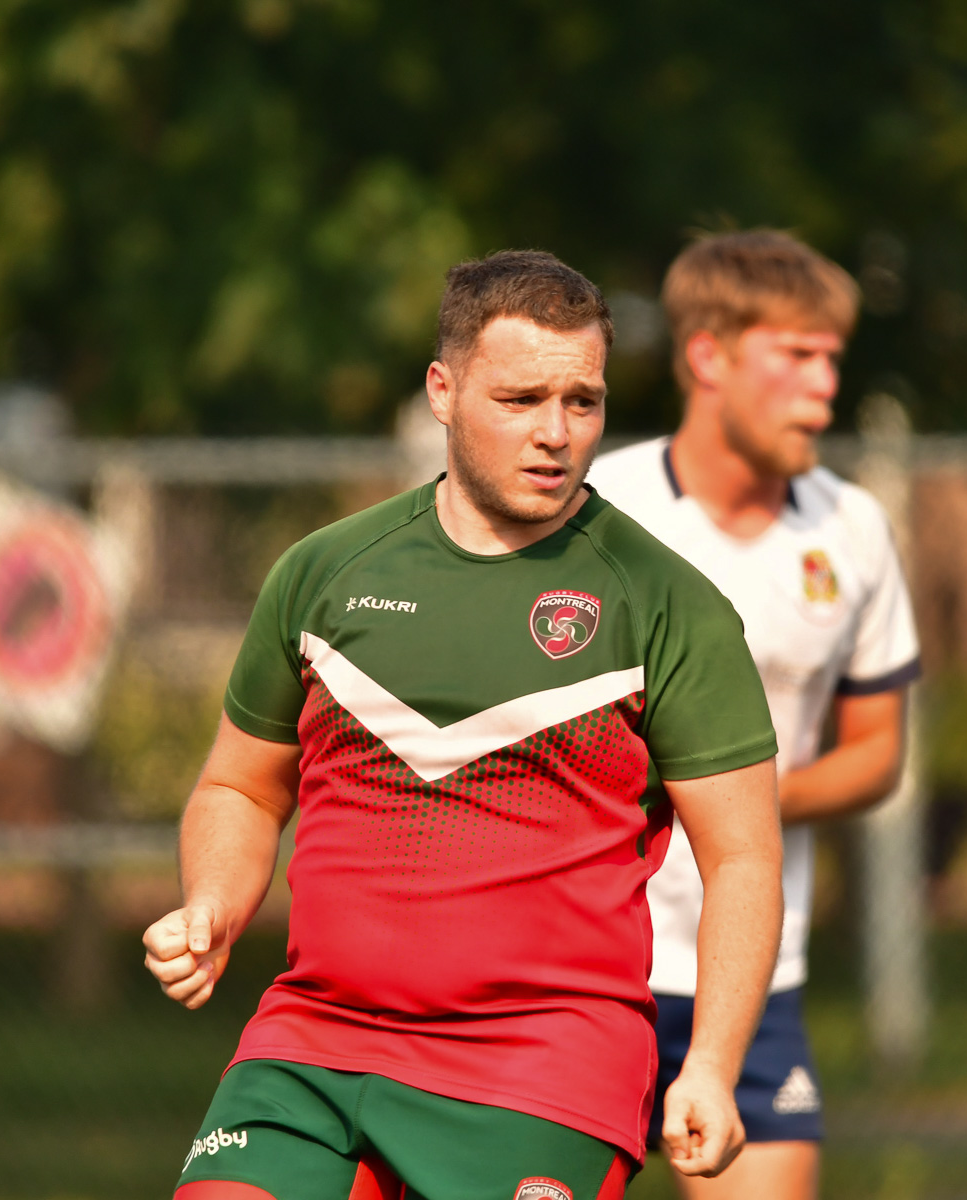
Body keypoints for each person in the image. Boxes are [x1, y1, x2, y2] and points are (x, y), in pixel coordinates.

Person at [145, 250, 786, 1200]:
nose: (558, 434)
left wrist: (714, 1064)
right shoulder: (325, 574)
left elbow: (741, 857)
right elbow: (241, 784)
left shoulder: (663, 605)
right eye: (521, 400)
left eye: (584, 401)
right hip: (314, 1045)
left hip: (542, 1067)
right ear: (443, 391)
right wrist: (212, 906)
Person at [590, 231, 921, 1199]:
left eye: (833, 359)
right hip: (582, 964)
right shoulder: (595, 509)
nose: (826, 385)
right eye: (797, 355)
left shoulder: (852, 528)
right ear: (708, 357)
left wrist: (734, 800)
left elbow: (875, 756)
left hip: (752, 980)